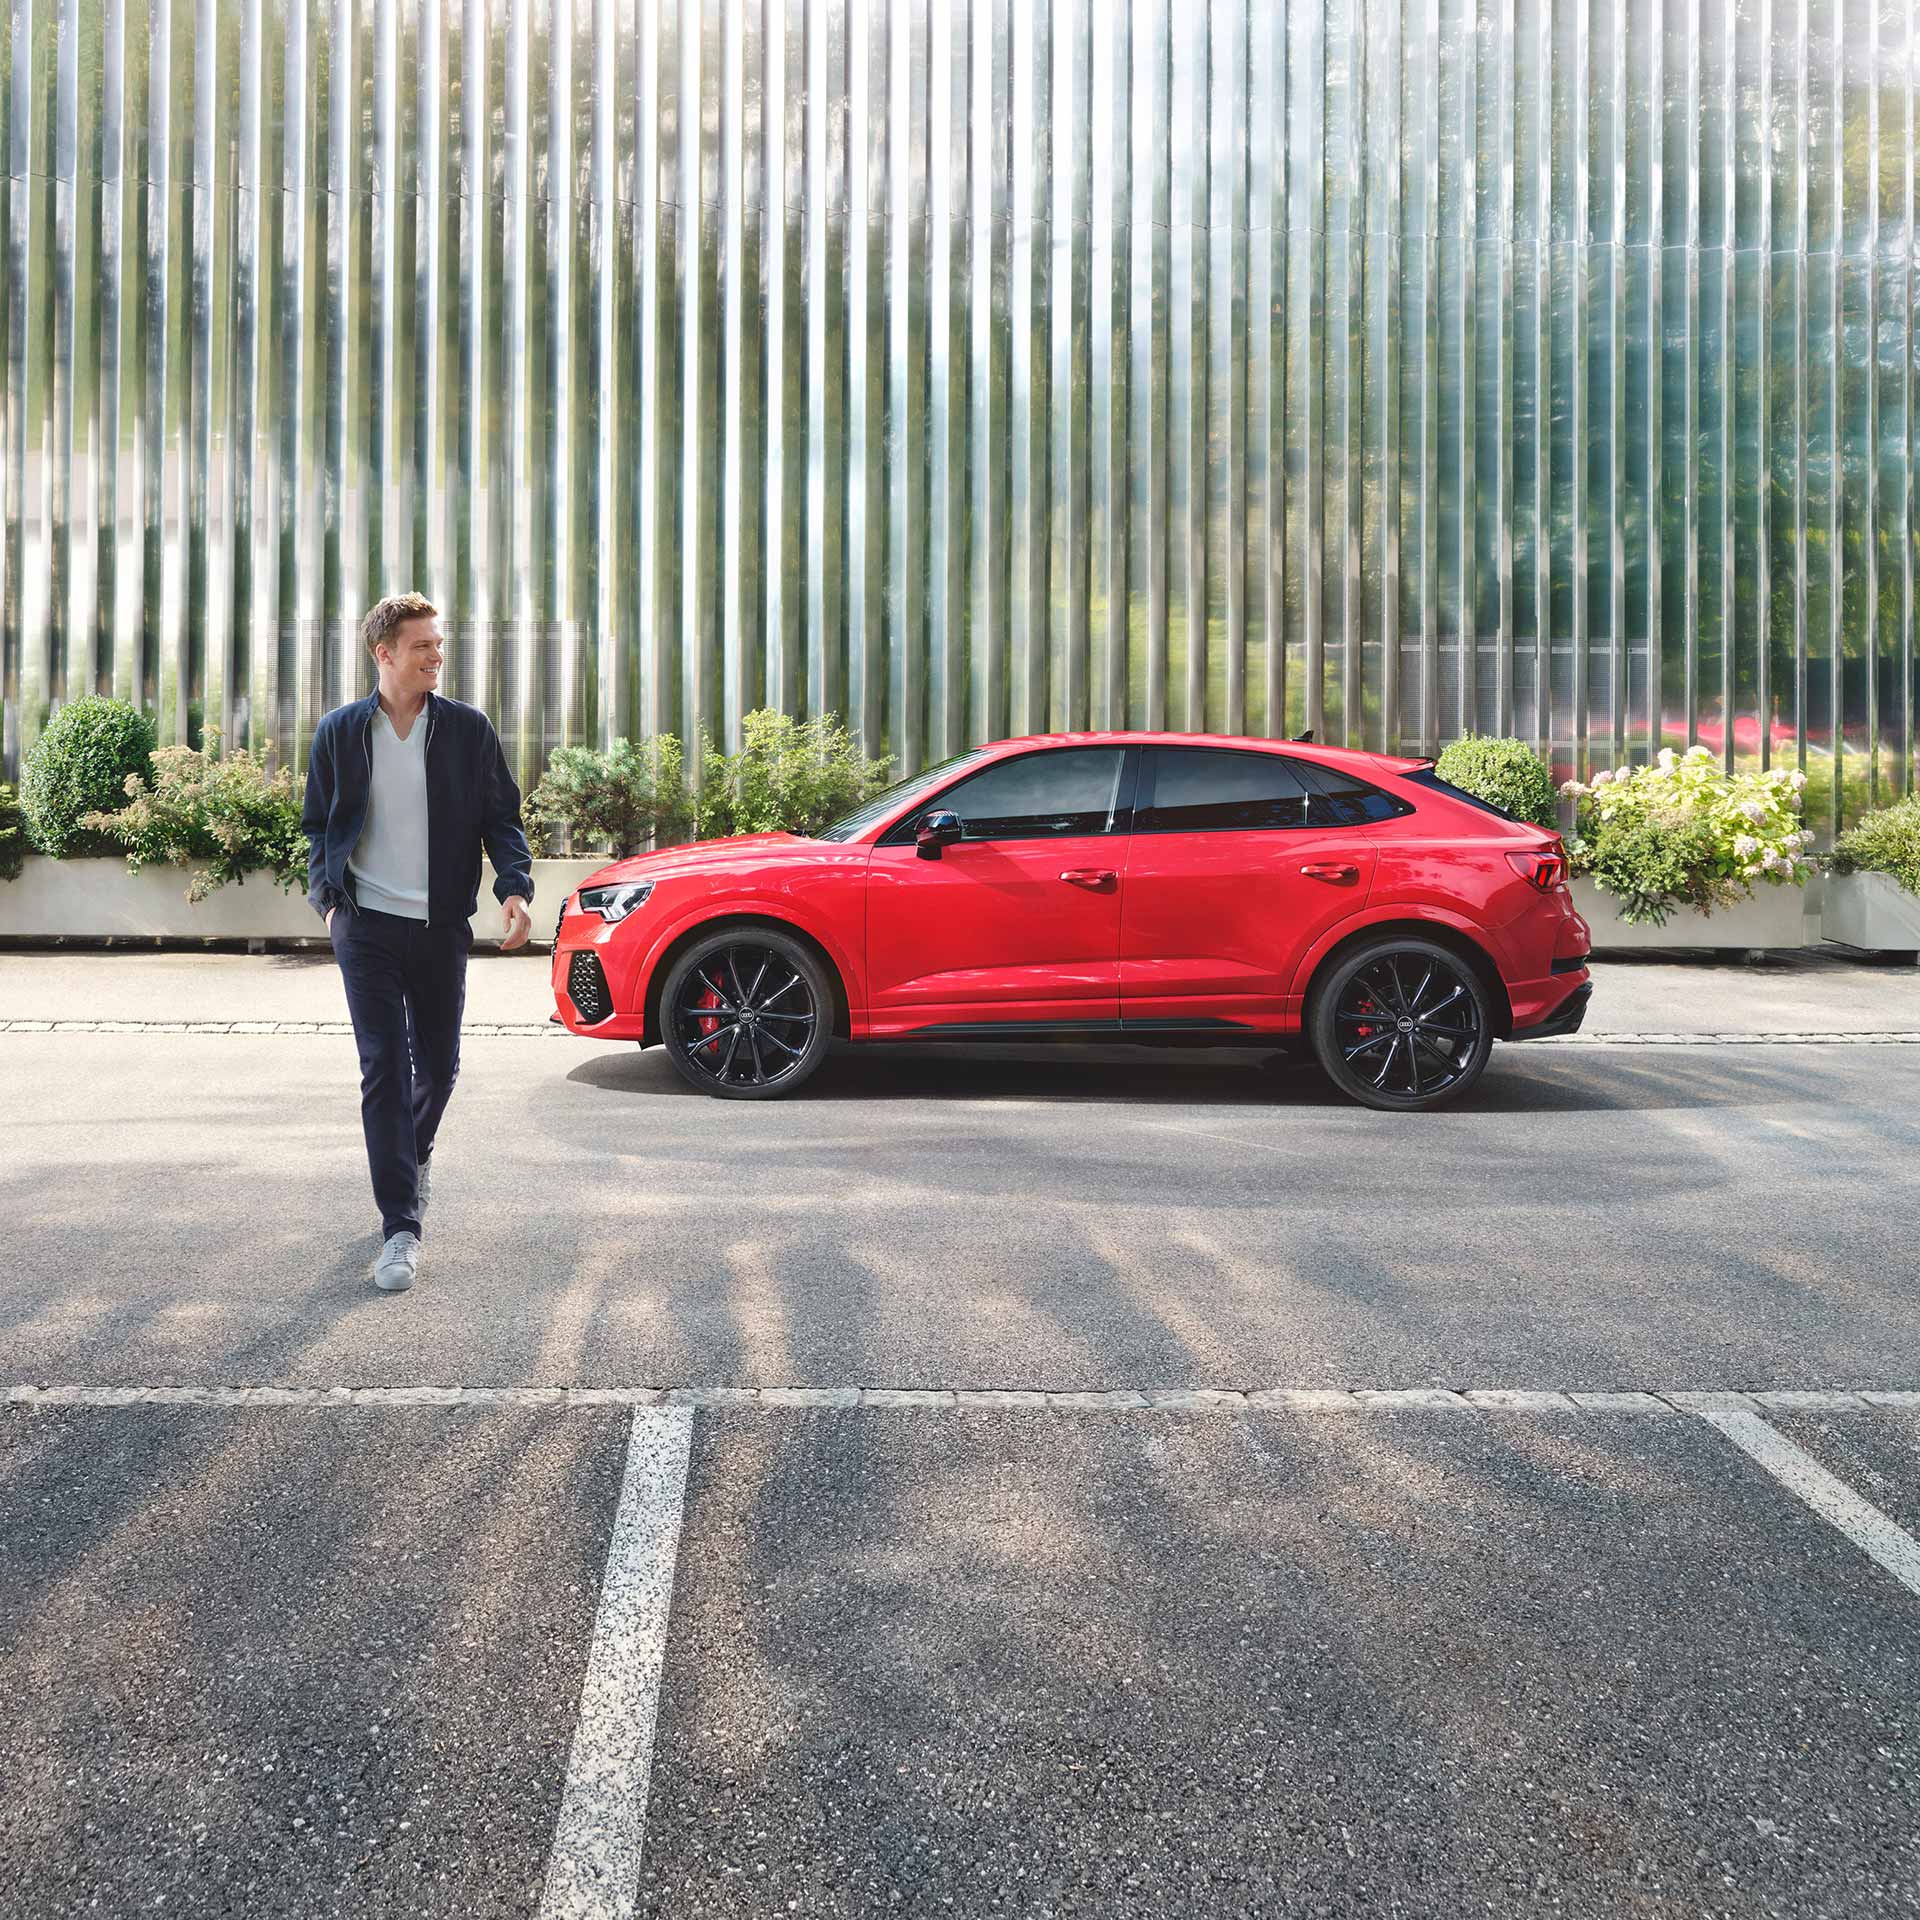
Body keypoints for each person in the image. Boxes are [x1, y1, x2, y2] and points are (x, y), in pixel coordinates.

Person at [301, 593, 534, 1292]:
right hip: (365, 923)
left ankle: (413, 1152)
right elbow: (318, 823)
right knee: (382, 1066)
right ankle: (400, 1226)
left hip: (438, 926)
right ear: (385, 654)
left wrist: (514, 889)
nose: (437, 656)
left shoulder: (466, 730)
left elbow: (503, 818)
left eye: (439, 644)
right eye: (423, 646)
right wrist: (325, 894)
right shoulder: (341, 732)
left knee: (438, 1066)